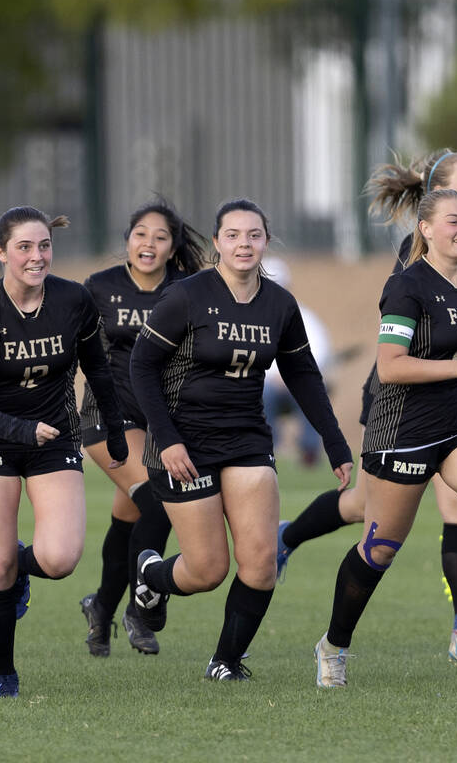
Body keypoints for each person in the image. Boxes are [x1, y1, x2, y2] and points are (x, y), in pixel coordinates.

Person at [276, 149, 457, 645]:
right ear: (435, 208)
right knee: (367, 513)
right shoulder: (416, 256)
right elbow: (406, 335)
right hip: (401, 398)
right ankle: (289, 538)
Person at [131, 199, 353, 681]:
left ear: (265, 242)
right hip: (183, 443)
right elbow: (141, 366)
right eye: (233, 235)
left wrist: (334, 441)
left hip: (247, 440)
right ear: (217, 244)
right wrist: (166, 439)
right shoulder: (187, 296)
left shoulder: (279, 304)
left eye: (253, 235)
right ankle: (150, 577)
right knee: (207, 570)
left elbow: (304, 376)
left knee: (260, 563)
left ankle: (226, 661)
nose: (243, 244)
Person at [0, 206, 128, 699]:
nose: (36, 256)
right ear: (2, 252)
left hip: (56, 440)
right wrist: (22, 430)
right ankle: (4, 674)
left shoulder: (74, 300)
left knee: (60, 558)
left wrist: (114, 430)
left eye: (44, 245)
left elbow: (99, 370)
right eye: (24, 247)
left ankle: (21, 568)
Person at [77, 200, 206, 657]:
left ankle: (102, 607)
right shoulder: (100, 288)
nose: (148, 243)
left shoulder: (187, 290)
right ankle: (142, 602)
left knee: (129, 519)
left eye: (160, 237)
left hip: (158, 419)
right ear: (127, 240)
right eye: (140, 234)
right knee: (157, 498)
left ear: (173, 248)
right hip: (106, 416)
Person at [260, 257, 332, 467]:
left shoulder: (305, 317)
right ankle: (266, 450)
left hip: (297, 381)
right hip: (265, 384)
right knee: (260, 392)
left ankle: (309, 451)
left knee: (311, 390)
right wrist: (273, 377)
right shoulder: (250, 316)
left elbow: (319, 352)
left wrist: (291, 376)